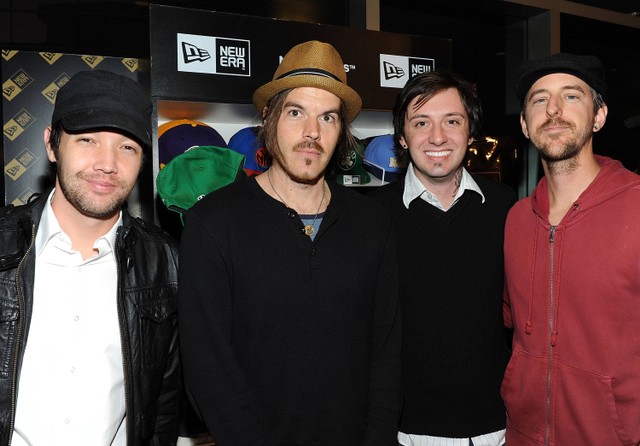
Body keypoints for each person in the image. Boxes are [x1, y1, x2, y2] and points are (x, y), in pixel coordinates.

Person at [178, 40, 402, 446]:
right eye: (296, 112)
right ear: (269, 118)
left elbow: (387, 352)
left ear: (342, 131)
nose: (311, 132)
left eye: (328, 117)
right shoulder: (213, 222)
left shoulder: (373, 223)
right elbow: (206, 366)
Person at [0, 70, 181, 445]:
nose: (107, 164)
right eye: (87, 140)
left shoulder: (165, 262)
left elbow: (164, 403)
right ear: (52, 144)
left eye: (127, 147)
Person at [369, 71, 516, 446]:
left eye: (452, 121)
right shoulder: (369, 217)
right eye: (421, 123)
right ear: (402, 137)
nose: (437, 137)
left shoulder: (507, 208)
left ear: (470, 132)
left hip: (497, 429)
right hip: (406, 433)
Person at [502, 53, 640, 445]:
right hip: (523, 436)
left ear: (599, 116)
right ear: (526, 126)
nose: (554, 110)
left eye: (572, 96)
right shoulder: (515, 221)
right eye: (539, 99)